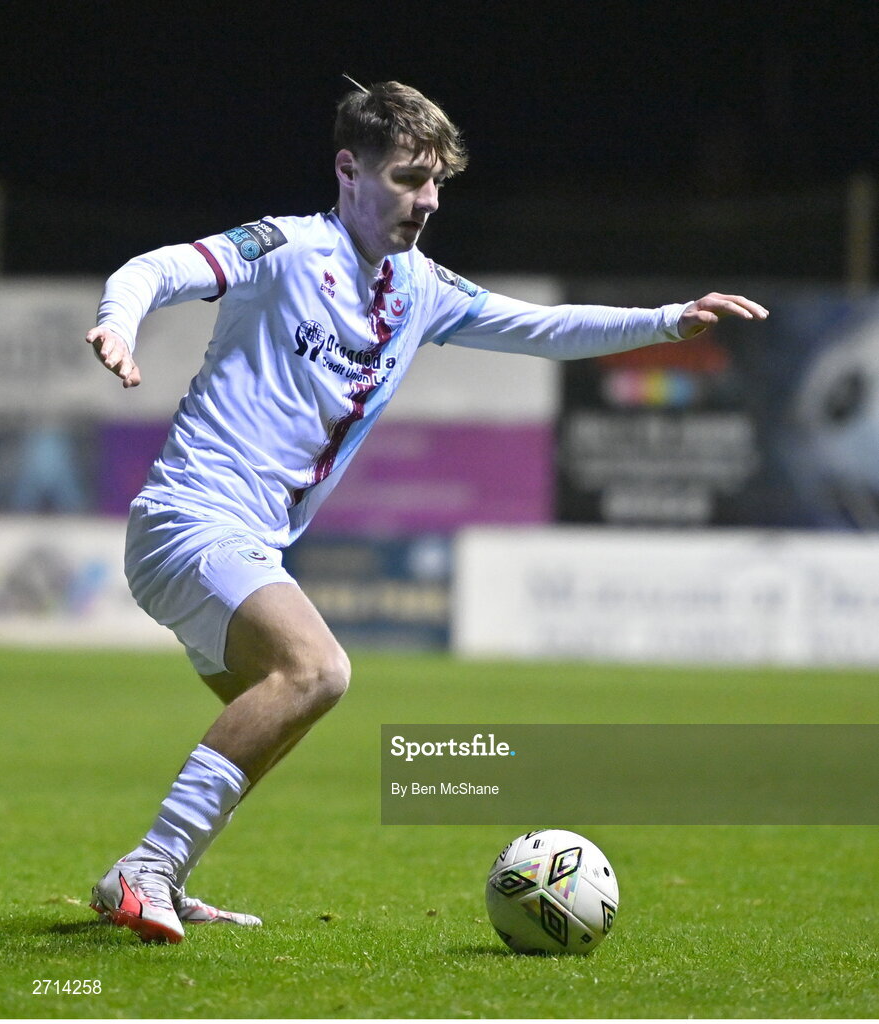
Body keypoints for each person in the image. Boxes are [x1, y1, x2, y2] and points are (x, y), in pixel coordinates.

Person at [85, 79, 769, 943]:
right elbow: (159, 268)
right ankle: (144, 867)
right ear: (349, 169)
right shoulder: (286, 248)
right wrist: (120, 321)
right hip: (190, 520)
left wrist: (669, 319)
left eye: (437, 181)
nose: (428, 199)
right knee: (318, 671)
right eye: (410, 177)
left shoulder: (420, 287)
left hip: (248, 538)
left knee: (282, 706)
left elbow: (543, 327)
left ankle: (163, 876)